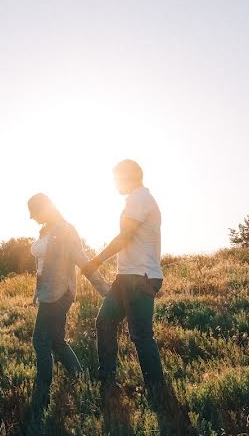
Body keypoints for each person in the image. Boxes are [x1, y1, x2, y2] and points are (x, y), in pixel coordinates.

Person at [25, 193, 109, 429]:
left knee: (40, 341)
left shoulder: (63, 230)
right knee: (56, 341)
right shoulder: (46, 230)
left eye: (35, 213)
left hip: (59, 293)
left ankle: (41, 398)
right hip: (48, 293)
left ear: (45, 208)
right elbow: (42, 266)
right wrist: (36, 292)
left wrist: (105, 289)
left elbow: (81, 259)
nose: (33, 219)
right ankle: (78, 376)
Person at [83, 159, 165, 389]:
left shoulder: (139, 199)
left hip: (140, 277)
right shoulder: (136, 200)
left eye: (116, 178)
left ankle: (157, 390)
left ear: (129, 177)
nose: (114, 183)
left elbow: (124, 237)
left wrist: (96, 261)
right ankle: (107, 381)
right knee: (105, 322)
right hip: (126, 276)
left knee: (140, 335)